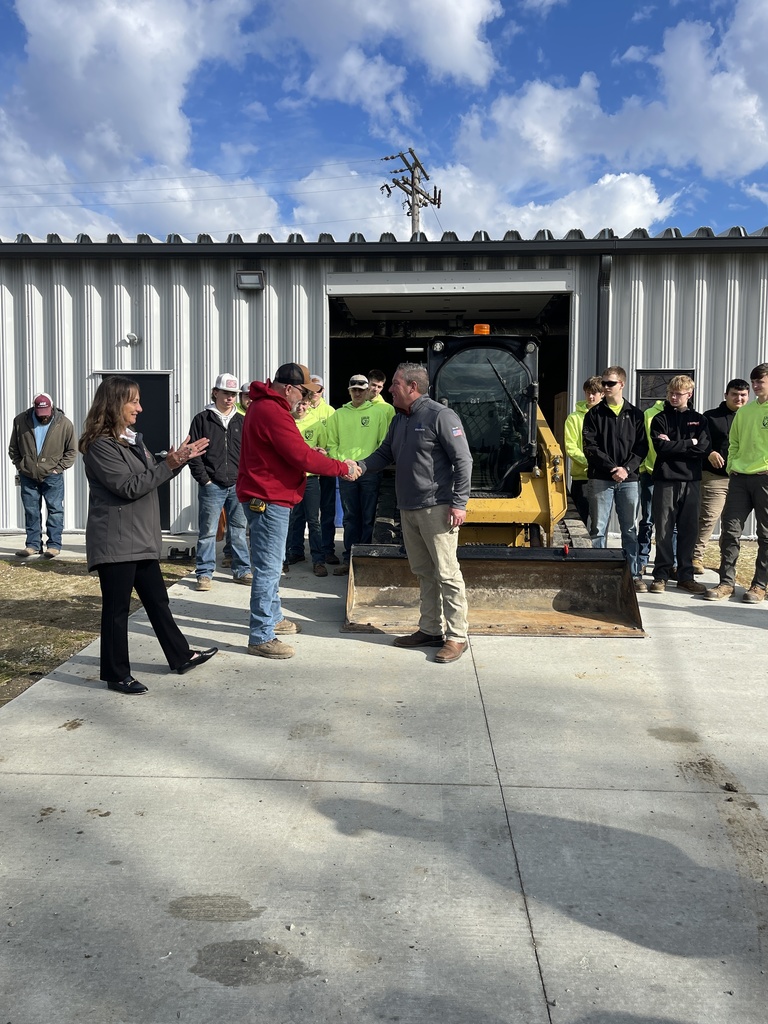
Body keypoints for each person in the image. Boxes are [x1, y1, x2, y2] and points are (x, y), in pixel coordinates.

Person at [79, 376, 218, 695]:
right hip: (115, 542)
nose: (140, 408)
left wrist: (177, 460)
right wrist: (168, 464)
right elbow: (128, 486)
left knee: (157, 600)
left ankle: (181, 656)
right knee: (116, 611)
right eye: (133, 402)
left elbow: (148, 472)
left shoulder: (130, 439)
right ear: (114, 404)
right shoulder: (100, 446)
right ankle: (116, 674)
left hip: (138, 538)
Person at [236, 362, 361, 660]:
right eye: (303, 393)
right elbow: (300, 456)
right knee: (268, 569)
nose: (305, 400)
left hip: (267, 495)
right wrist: (341, 467)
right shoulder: (272, 411)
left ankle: (274, 617)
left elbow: (289, 452)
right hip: (268, 499)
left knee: (274, 563)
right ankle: (261, 634)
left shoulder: (266, 407)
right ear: (289, 388)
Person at [357, 362, 473, 665]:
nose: (389, 389)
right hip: (407, 507)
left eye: (395, 383)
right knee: (424, 572)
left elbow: (463, 460)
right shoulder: (400, 420)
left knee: (447, 573)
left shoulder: (440, 416)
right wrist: (361, 466)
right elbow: (385, 453)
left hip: (437, 508)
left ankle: (457, 636)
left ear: (412, 387)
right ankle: (431, 628)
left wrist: (459, 503)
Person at [704, 363, 768, 603]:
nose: (755, 385)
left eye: (760, 381)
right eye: (754, 381)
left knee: (765, 535)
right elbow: (734, 443)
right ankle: (726, 583)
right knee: (730, 532)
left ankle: (759, 586)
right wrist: (732, 466)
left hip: (765, 479)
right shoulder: (745, 412)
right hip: (739, 479)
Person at [582, 366, 648, 591]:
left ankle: (632, 573)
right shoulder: (593, 415)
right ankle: (597, 573)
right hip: (601, 479)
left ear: (622, 384)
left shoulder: (636, 415)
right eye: (603, 383)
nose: (605, 387)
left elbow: (642, 447)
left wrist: (626, 469)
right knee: (598, 529)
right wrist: (612, 468)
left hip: (629, 481)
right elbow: (590, 447)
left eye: (610, 383)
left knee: (629, 529)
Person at [187, 373, 251, 591]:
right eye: (226, 393)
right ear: (215, 392)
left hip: (237, 485)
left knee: (239, 530)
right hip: (212, 486)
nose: (230, 398)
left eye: (233, 394)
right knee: (208, 531)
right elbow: (192, 453)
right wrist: (204, 480)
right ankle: (204, 574)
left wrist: (245, 479)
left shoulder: (242, 421)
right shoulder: (201, 420)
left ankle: (241, 570)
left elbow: (250, 454)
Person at [324, 374, 392, 576]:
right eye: (354, 389)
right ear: (349, 391)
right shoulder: (338, 415)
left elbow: (382, 444)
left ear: (367, 390)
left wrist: (364, 465)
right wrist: (344, 465)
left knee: (368, 517)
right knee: (350, 517)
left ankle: (366, 558)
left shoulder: (378, 414)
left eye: (361, 389)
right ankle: (350, 559)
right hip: (346, 473)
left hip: (369, 472)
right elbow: (331, 444)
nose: (358, 392)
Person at [647, 376, 709, 594]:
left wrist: (674, 444)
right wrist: (688, 443)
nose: (674, 397)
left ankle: (685, 576)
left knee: (688, 530)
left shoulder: (699, 420)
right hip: (665, 479)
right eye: (671, 393)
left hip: (691, 480)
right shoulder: (660, 419)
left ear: (689, 395)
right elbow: (661, 449)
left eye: (678, 394)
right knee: (663, 529)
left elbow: (702, 449)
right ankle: (661, 575)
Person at [692, 378, 750, 573]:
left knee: (732, 523)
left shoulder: (751, 417)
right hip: (715, 477)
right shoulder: (710, 417)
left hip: (741, 477)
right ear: (726, 395)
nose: (739, 398)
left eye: (743, 395)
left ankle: (725, 562)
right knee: (708, 518)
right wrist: (709, 452)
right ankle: (696, 557)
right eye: (734, 394)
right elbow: (700, 441)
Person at [9, 392, 76, 558]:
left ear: (52, 408)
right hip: (27, 474)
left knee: (55, 510)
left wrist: (58, 468)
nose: (43, 417)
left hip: (52, 476)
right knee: (31, 510)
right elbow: (13, 448)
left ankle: (53, 545)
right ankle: (32, 545)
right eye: (40, 414)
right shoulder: (20, 421)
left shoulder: (64, 424)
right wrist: (21, 465)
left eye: (46, 414)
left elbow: (72, 450)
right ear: (34, 408)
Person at [285, 396, 330, 576]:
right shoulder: (287, 422)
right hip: (291, 478)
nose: (300, 406)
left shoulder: (316, 424)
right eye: (298, 403)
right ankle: (295, 552)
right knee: (294, 518)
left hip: (310, 479)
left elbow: (325, 449)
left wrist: (320, 453)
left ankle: (318, 559)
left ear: (309, 405)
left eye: (304, 403)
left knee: (313, 520)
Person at [307, 375, 339, 564]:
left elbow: (335, 438)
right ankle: (296, 550)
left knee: (327, 511)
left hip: (325, 467)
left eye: (317, 390)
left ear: (322, 391)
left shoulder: (331, 412)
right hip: (307, 469)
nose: (314, 394)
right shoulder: (301, 409)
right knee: (301, 512)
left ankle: (327, 549)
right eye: (310, 390)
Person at [563, 376, 603, 525]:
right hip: (582, 478)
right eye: (587, 392)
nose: (590, 396)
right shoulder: (573, 418)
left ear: (603, 394)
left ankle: (599, 548)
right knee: (580, 521)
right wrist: (592, 462)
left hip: (603, 478)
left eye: (594, 393)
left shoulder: (608, 417)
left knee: (600, 522)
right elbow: (570, 447)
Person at [637, 398, 666, 576]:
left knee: (671, 523)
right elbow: (643, 443)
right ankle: (642, 558)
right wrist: (643, 468)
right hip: (650, 473)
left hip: (672, 476)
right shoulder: (649, 414)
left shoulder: (687, 414)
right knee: (648, 519)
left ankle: (671, 562)